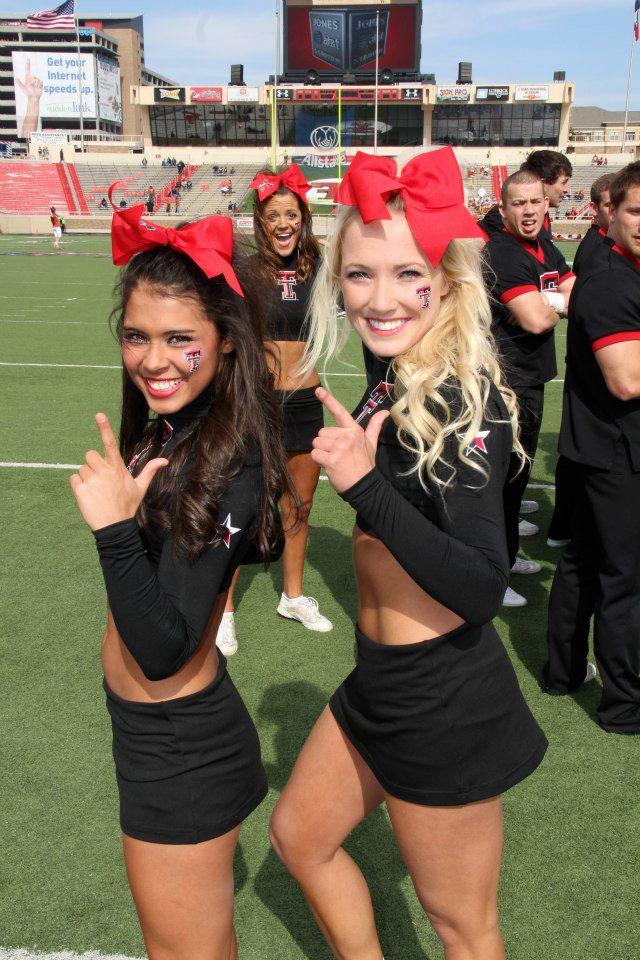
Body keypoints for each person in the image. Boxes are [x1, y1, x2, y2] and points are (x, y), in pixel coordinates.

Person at [269, 148, 548, 960]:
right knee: (299, 837)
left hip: (443, 702)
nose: (380, 299)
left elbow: (483, 585)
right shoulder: (395, 371)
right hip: (379, 682)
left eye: (407, 273)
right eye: (360, 276)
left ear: (450, 282)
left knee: (464, 930)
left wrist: (363, 486)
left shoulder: (461, 393)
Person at [69, 208, 291, 959]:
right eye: (137, 336)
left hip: (181, 747)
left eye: (178, 339)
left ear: (224, 340)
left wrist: (111, 532)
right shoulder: (173, 427)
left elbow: (163, 646)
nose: (153, 359)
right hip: (153, 734)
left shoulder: (228, 462)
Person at [216, 165, 332, 656]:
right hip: (257, 404)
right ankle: (223, 611)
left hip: (306, 401)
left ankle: (293, 596)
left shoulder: (321, 266)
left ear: (302, 219)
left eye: (291, 214)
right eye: (272, 215)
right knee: (239, 508)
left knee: (299, 504)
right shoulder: (244, 269)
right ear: (260, 222)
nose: (283, 223)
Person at [543, 162, 640, 734]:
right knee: (624, 577)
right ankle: (625, 704)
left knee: (584, 560)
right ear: (612, 213)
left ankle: (562, 671)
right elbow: (625, 379)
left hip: (600, 443)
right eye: (636, 211)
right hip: (615, 450)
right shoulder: (610, 278)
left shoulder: (618, 269)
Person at [483, 171, 575, 607]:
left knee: (515, 482)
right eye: (518, 204)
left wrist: (551, 298)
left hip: (531, 378)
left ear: (546, 203)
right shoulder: (503, 251)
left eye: (535, 201)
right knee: (500, 482)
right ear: (503, 210)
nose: (529, 210)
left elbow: (578, 290)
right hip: (507, 382)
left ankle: (508, 555)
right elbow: (536, 319)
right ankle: (493, 576)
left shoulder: (544, 246)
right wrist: (554, 301)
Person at [546, 173, 614, 549]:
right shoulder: (598, 251)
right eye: (609, 205)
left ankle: (565, 526)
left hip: (588, 361)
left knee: (577, 451)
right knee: (581, 453)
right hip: (592, 364)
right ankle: (569, 527)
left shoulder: (603, 246)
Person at [479, 150, 572, 241]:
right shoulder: (503, 219)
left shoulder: (542, 214)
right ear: (542, 183)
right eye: (563, 182)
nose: (567, 189)